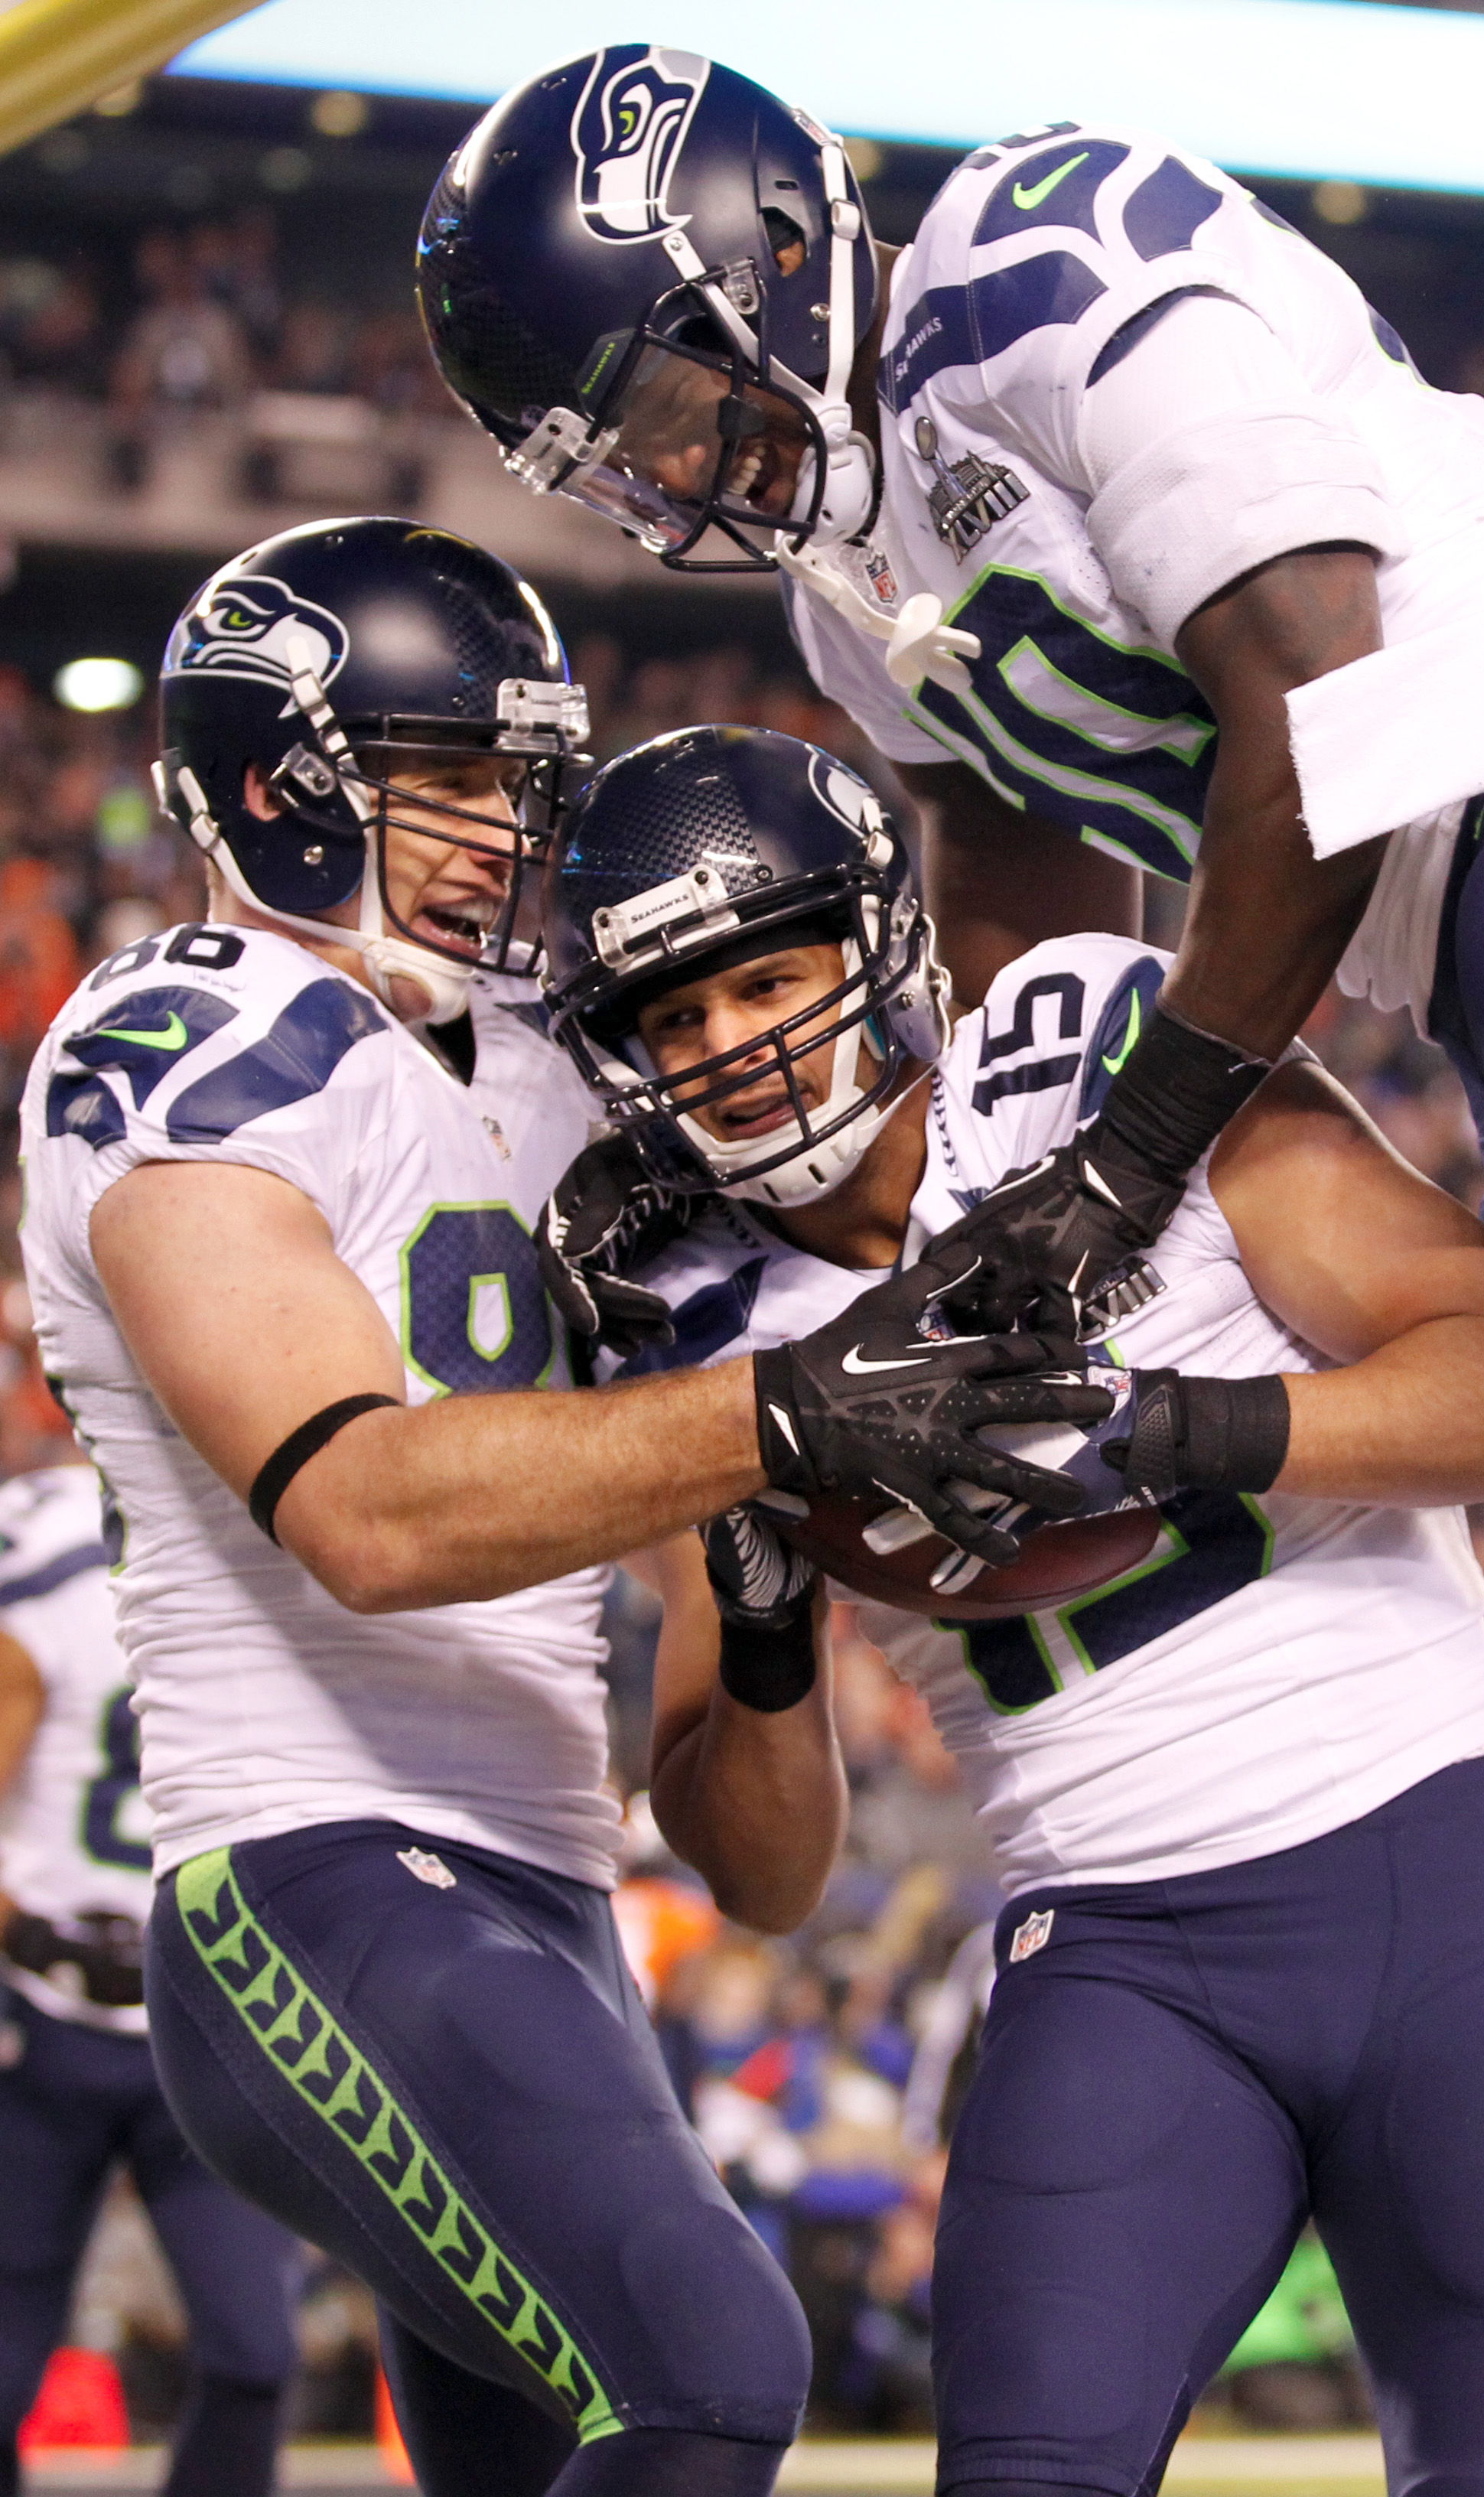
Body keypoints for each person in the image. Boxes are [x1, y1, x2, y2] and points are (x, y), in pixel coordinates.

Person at [418, 48, 1484, 1727]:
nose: (661, 481)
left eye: (656, 407)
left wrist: (1128, 1163)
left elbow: (1322, 714)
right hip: (1466, 955)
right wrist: (891, 1234)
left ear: (769, 250)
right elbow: (1032, 956)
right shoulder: (835, 594)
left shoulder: (1031, 260)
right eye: (603, 463)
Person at [537, 720, 1484, 2497]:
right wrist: (750, 1632)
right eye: (676, 1016)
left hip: (1439, 1856)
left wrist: (1162, 1427)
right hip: (1113, 1939)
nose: (732, 1049)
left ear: (878, 945)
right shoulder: (692, 1330)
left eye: (766, 979)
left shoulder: (1089, 1072)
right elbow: (770, 1873)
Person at [16, 516, 1098, 2497]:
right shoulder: (183, 1042)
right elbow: (363, 1512)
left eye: (521, 782)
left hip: (546, 1900)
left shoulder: (556, 1080)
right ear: (286, 789)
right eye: (450, 782)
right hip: (311, 1872)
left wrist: (771, 1611)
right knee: (706, 2371)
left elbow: (767, 1873)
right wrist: (780, 1414)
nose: (509, 835)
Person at [0, 1459, 302, 2497]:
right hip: (43, 2013)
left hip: (213, 2016)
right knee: (1, 2372)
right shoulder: (45, 1562)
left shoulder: (282, 1539)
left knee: (256, 2356)